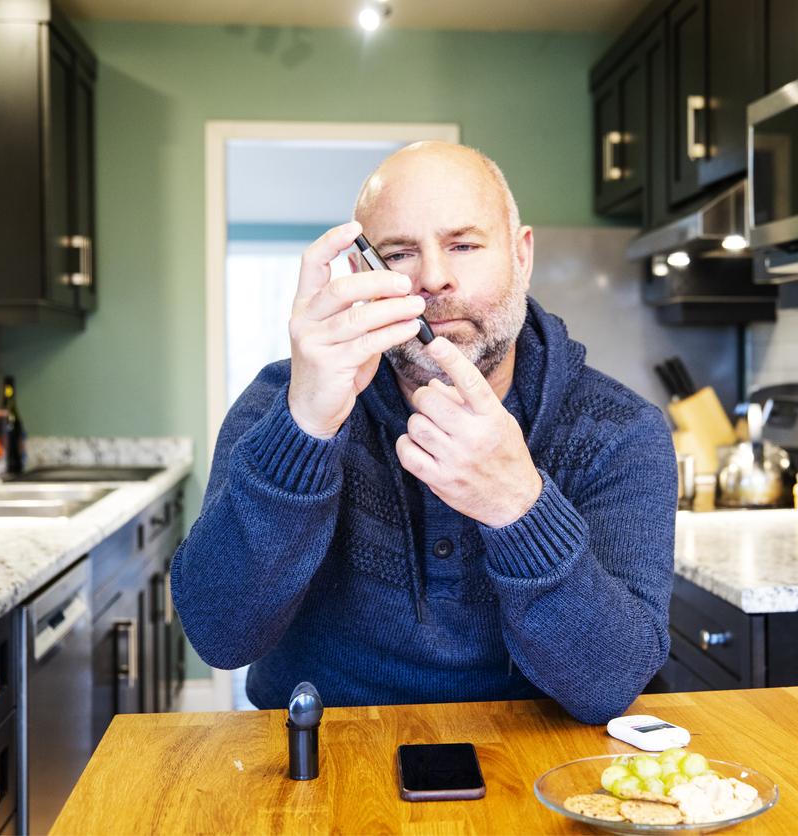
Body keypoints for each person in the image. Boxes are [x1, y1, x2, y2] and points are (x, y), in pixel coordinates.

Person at [172, 141, 676, 723]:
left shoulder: (620, 428)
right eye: (400, 253)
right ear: (364, 271)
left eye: (464, 245)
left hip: (539, 763)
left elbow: (612, 682)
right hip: (323, 756)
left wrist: (518, 505)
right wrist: (304, 430)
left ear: (521, 255)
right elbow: (220, 636)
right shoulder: (281, 402)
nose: (434, 279)